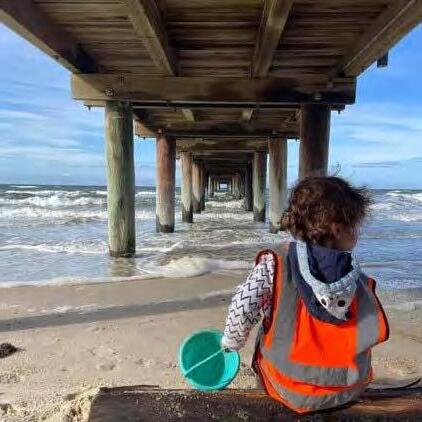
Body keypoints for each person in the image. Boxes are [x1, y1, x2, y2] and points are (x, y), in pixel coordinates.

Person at [221, 176, 389, 414]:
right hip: (347, 388)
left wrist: (232, 342)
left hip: (284, 384)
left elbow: (244, 305)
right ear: (337, 228)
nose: (357, 232)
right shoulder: (358, 280)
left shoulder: (275, 263)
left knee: (270, 322)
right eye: (355, 226)